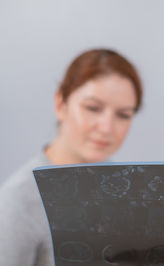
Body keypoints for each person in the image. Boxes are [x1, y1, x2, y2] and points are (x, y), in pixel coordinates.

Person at [0, 48, 143, 266]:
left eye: (123, 115)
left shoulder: (127, 189)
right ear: (60, 104)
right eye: (93, 108)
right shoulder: (18, 202)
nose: (107, 128)